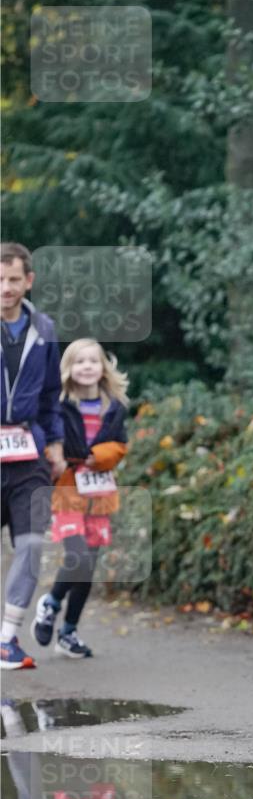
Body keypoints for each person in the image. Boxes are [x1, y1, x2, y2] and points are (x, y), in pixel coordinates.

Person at [31, 338, 129, 657]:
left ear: (104, 367)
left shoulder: (114, 406)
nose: (87, 367)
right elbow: (46, 439)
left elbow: (120, 446)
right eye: (79, 361)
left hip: (99, 494)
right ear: (68, 369)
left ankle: (68, 632)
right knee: (79, 557)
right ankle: (50, 603)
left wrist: (97, 457)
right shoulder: (57, 405)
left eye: (93, 361)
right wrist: (56, 458)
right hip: (68, 489)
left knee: (88, 567)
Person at [1, 241, 66, 670]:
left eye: (13, 279)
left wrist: (55, 442)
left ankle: (7, 640)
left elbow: (50, 394)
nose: (5, 288)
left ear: (29, 281)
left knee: (31, 544)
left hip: (28, 455)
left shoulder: (44, 329)